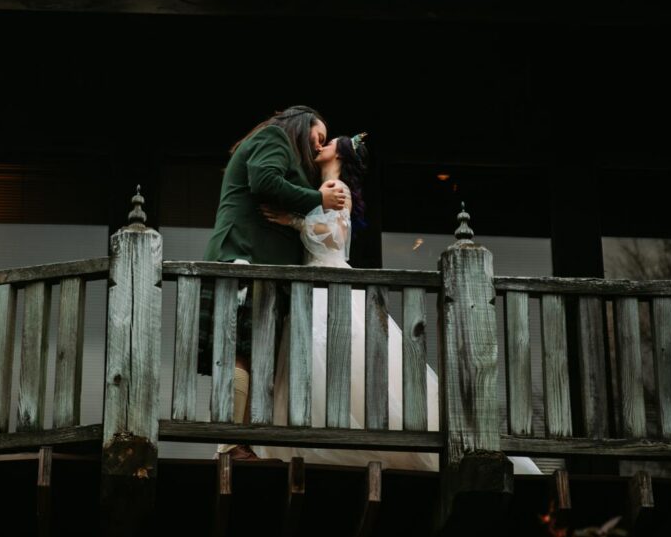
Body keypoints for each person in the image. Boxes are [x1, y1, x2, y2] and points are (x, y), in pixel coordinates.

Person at [253, 134, 541, 475]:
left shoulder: (336, 187)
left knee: (344, 354)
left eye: (327, 143)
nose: (320, 146)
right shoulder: (322, 187)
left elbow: (336, 237)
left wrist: (295, 221)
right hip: (314, 283)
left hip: (330, 280)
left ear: (340, 155)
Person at [201, 106, 349, 459]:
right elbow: (265, 181)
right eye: (318, 135)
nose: (319, 145)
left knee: (255, 356)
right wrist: (319, 198)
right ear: (301, 124)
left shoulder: (291, 157)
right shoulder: (275, 137)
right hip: (245, 259)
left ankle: (241, 442)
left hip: (264, 272)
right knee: (240, 351)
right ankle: (229, 444)